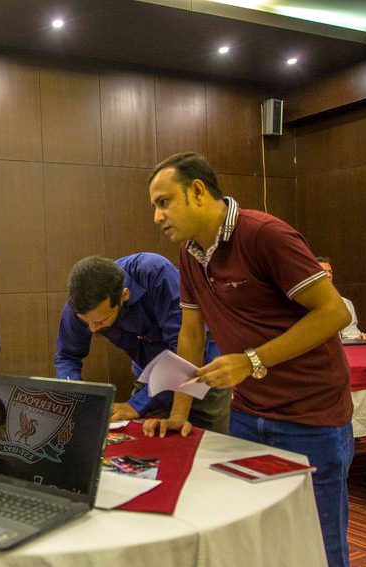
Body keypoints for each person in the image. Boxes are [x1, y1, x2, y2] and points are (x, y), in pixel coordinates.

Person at [147, 151, 353, 567]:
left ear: (198, 191)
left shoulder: (263, 234)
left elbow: (335, 313)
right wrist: (179, 412)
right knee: (258, 542)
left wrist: (251, 360)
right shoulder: (189, 253)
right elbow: (191, 333)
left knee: (319, 546)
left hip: (310, 417)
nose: (157, 216)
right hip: (246, 415)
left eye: (164, 202)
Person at [55, 254, 229, 432]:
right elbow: (67, 357)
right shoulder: (80, 303)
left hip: (202, 372)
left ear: (124, 295)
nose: (92, 329)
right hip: (150, 379)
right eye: (87, 322)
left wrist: (137, 404)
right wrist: (76, 395)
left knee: (205, 441)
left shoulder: (155, 273)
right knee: (147, 440)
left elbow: (184, 348)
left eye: (101, 321)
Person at [316, 256, 366, 340]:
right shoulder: (301, 303)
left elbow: (350, 335)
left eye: (330, 272)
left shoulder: (345, 303)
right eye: (323, 271)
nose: (329, 275)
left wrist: (358, 338)